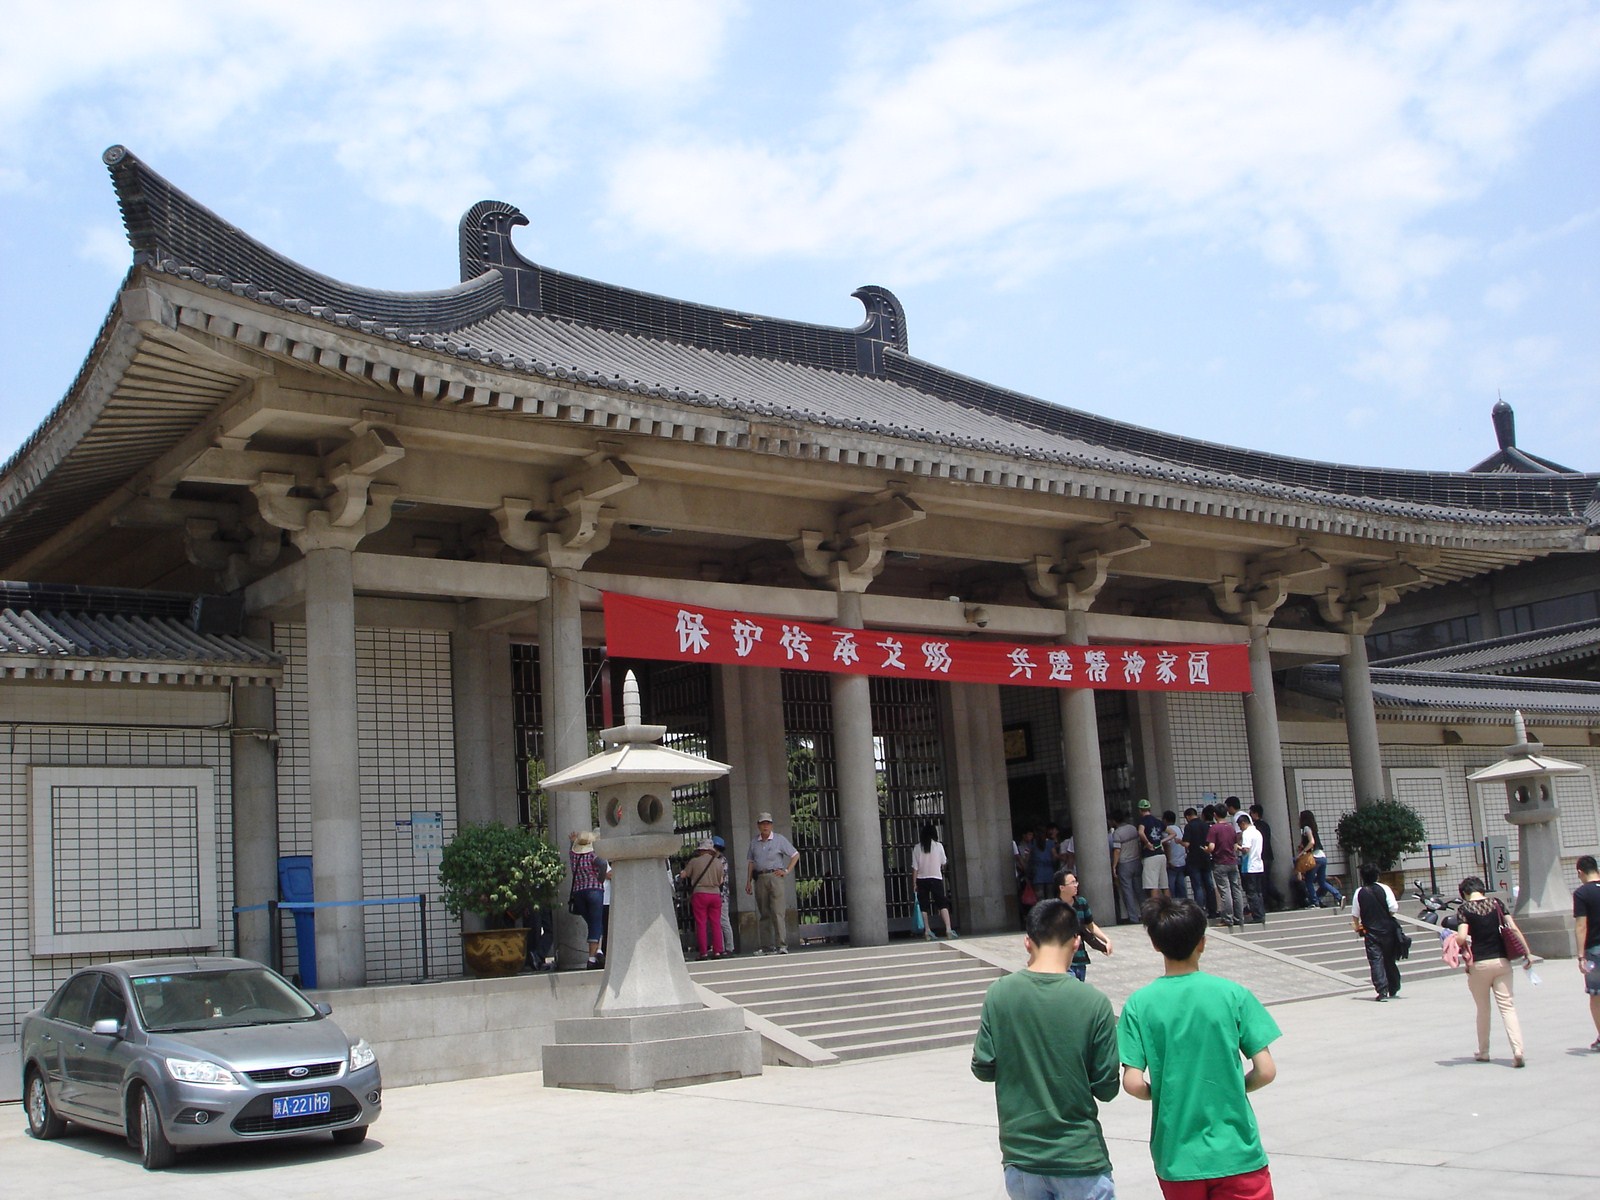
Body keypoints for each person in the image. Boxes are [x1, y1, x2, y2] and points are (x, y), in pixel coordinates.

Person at [1118, 897, 1280, 1198]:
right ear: (1202, 942)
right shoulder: (1234, 995)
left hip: (1178, 1157)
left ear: (1155, 944)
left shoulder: (1138, 1004)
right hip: (1237, 1152)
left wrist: (1167, 1092)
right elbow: (1266, 1071)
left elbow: (1133, 1083)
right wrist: (1233, 1087)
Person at [971, 899, 1120, 1199]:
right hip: (1079, 1156)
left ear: (1028, 942)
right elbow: (1107, 1087)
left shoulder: (999, 994)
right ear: (1076, 942)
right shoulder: (1095, 1003)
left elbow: (983, 1067)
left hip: (1022, 1158)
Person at [1452, 875, 1530, 1065]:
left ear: (1464, 893)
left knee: (1483, 1009)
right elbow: (1513, 928)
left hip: (1479, 964)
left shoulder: (1464, 909)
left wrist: (1451, 939)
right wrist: (1527, 952)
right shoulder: (1497, 904)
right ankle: (1518, 1050)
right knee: (1507, 1007)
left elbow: (1462, 937)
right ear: (1482, 889)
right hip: (1502, 961)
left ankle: (1484, 1052)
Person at [745, 811, 799, 956]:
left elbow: (795, 855)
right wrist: (748, 881)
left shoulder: (779, 839)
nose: (765, 826)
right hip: (760, 877)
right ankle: (766, 946)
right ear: (758, 825)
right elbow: (751, 862)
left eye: (768, 823)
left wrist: (786, 870)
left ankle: (782, 944)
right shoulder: (754, 842)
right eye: (763, 823)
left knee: (778, 912)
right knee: (764, 912)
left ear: (772, 825)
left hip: (775, 876)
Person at [1350, 863, 1403, 1001]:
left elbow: (1355, 915)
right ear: (1377, 876)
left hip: (1371, 933)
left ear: (1362, 877)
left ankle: (1382, 991)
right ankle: (1394, 987)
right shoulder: (1385, 888)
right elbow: (1393, 908)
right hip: (1388, 930)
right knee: (1389, 959)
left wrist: (1357, 926)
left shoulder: (1359, 892)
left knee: (1375, 961)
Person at [1055, 868, 1114, 981]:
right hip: (1063, 961)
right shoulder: (1054, 907)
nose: (1076, 885)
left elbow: (1090, 925)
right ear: (1062, 888)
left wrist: (1106, 940)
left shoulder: (1081, 902)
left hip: (1080, 959)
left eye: (1076, 882)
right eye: (1072, 883)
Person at [678, 839, 726, 959]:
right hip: (715, 894)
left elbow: (683, 875)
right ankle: (718, 951)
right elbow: (721, 880)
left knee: (701, 923)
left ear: (700, 850)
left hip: (700, 894)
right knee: (716, 923)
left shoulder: (694, 861)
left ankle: (703, 952)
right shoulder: (718, 862)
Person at [568, 830, 608, 969]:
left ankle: (599, 951)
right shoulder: (592, 855)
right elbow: (603, 864)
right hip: (594, 890)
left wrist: (572, 842)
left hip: (578, 892)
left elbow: (572, 849)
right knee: (596, 922)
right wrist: (600, 880)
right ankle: (592, 959)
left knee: (592, 922)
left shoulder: (573, 856)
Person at [913, 823, 957, 940]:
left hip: (921, 879)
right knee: (942, 904)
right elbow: (944, 862)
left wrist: (914, 883)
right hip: (936, 878)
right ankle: (948, 929)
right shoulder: (939, 846)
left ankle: (927, 930)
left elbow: (915, 868)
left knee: (924, 906)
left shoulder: (917, 848)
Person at [1574, 855, 1600, 1051]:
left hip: (1594, 950)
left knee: (1596, 994)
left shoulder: (1581, 893)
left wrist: (1581, 955)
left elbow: (1581, 926)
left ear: (1580, 872)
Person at [1295, 810, 1343, 910]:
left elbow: (1311, 842)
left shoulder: (1306, 828)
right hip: (1322, 857)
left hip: (1314, 858)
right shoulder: (1314, 829)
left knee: (1308, 881)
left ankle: (1314, 902)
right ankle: (1339, 896)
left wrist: (1302, 852)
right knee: (1322, 881)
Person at [1207, 808, 1244, 929]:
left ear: (1215, 814)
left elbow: (1211, 847)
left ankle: (1228, 918)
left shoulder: (1214, 828)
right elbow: (1235, 846)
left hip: (1220, 862)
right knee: (1236, 889)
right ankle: (1239, 917)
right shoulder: (1231, 828)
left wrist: (1206, 850)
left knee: (1225, 891)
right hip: (1232, 862)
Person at [1182, 806, 1215, 917]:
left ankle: (1200, 911)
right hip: (1206, 858)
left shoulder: (1189, 826)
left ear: (1187, 816)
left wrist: (1179, 842)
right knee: (1209, 885)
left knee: (1197, 886)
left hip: (1194, 860)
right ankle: (1213, 910)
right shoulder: (1205, 825)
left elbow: (1186, 844)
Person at [1247, 803, 1282, 911]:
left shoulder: (1255, 827)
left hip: (1260, 856)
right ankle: (1275, 899)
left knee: (1263, 882)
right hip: (1268, 855)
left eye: (1251, 813)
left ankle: (1273, 900)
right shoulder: (1266, 825)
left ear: (1255, 813)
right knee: (1266, 879)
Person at [1111, 809, 1141, 924]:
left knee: (1128, 892)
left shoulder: (1117, 833)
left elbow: (1117, 851)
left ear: (1114, 821)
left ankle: (1133, 918)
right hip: (1136, 861)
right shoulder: (1133, 828)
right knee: (1139, 890)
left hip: (1124, 864)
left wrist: (1114, 866)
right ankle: (1146, 913)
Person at [1137, 799, 1168, 900]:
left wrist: (1147, 843)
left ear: (1140, 810)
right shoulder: (1158, 821)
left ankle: (1156, 908)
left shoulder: (1143, 821)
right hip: (1161, 855)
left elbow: (1140, 832)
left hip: (1150, 856)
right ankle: (1169, 907)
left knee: (1153, 885)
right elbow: (1173, 833)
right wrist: (1161, 842)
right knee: (1164, 885)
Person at [1237, 814, 1265, 925]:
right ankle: (1261, 913)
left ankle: (1257, 915)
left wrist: (1238, 847)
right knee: (1258, 892)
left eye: (1240, 826)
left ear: (1243, 823)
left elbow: (1246, 849)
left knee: (1251, 892)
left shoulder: (1247, 833)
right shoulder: (1258, 832)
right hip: (1259, 865)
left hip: (1249, 866)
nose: (1240, 829)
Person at [712, 835, 736, 954]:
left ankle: (729, 947)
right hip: (719, 894)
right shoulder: (717, 860)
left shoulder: (721, 861)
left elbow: (720, 879)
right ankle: (720, 946)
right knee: (718, 922)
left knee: (723, 921)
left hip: (722, 895)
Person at [1162, 809, 1187, 900]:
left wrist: (1168, 861)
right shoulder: (1181, 829)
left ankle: (1173, 905)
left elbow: (1167, 846)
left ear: (1165, 820)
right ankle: (1184, 904)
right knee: (1181, 887)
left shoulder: (1166, 832)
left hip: (1172, 863)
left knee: (1171, 887)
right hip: (1182, 862)